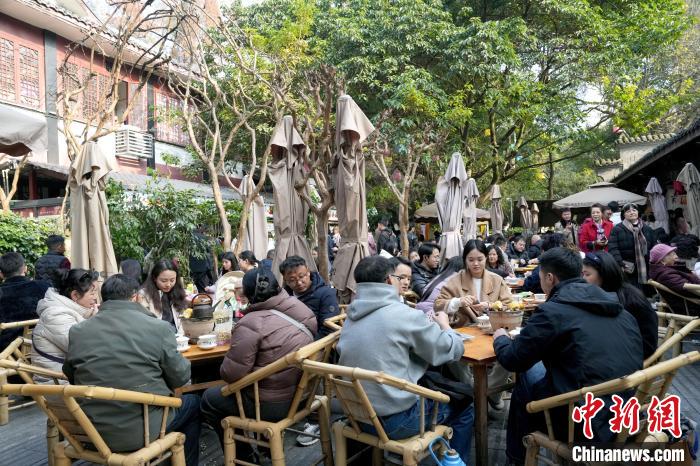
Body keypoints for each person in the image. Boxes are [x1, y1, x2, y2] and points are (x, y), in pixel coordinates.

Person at [493, 247, 643, 464]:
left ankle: (516, 457)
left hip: (583, 422)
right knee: (535, 371)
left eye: (540, 277)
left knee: (525, 375)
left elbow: (512, 359)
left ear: (550, 278)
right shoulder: (618, 307)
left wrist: (500, 338)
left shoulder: (553, 311)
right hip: (626, 409)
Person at [336, 256, 474, 461]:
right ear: (389, 280)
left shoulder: (351, 316)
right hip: (396, 422)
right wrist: (446, 326)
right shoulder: (403, 315)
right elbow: (447, 350)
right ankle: (454, 462)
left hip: (356, 415)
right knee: (466, 405)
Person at [63, 274, 200, 466]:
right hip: (141, 430)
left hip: (90, 430)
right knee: (193, 403)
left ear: (103, 298)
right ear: (135, 297)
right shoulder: (158, 328)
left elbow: (71, 374)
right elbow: (180, 377)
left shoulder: (78, 331)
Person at [201, 268, 316, 461]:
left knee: (210, 399)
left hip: (272, 404)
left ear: (246, 294)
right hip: (303, 394)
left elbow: (230, 374)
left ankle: (244, 458)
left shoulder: (251, 322)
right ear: (278, 286)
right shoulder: (301, 308)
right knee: (252, 380)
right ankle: (265, 449)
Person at [582, 251, 658, 358]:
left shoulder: (631, 299)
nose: (583, 279)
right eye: (582, 274)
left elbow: (647, 343)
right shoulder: (596, 294)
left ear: (604, 274)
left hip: (629, 355)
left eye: (587, 274)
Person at [32, 269, 99, 373]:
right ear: (75, 295)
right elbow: (83, 348)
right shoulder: (55, 315)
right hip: (57, 378)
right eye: (92, 293)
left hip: (75, 371)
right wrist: (95, 321)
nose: (96, 297)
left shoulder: (72, 309)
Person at [434, 240, 512, 327]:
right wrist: (457, 302)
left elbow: (509, 305)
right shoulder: (455, 281)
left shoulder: (497, 280)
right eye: (471, 260)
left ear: (486, 258)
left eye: (480, 259)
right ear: (465, 260)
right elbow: (438, 305)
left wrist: (490, 305)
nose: (476, 264)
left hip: (493, 328)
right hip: (463, 329)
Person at [0, 252, 51, 351]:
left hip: (6, 352)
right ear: (25, 269)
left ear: (1, 274)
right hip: (39, 347)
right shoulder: (44, 287)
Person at [280, 255, 339, 339]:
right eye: (292, 280)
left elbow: (328, 329)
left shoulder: (326, 294)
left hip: (313, 343)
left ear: (308, 272)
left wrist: (310, 345)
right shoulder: (283, 297)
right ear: (285, 280)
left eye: (301, 276)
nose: (299, 282)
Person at [608, 203, 655, 289]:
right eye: (628, 211)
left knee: (647, 291)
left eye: (634, 210)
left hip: (646, 266)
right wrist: (620, 263)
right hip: (628, 267)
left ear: (638, 212)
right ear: (624, 214)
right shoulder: (617, 229)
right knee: (632, 291)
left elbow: (654, 246)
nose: (632, 212)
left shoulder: (647, 228)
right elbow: (613, 248)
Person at [648, 244, 700, 316]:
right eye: (672, 254)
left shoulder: (667, 270)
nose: (676, 256)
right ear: (662, 260)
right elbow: (689, 289)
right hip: (691, 307)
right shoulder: (666, 275)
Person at [139, 259, 187, 333]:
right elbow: (144, 322)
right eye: (164, 281)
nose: (168, 284)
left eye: (172, 280)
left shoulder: (177, 292)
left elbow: (182, 319)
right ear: (154, 278)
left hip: (178, 336)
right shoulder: (144, 295)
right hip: (157, 335)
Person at [189, 225, 214, 293]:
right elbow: (208, 250)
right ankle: (202, 296)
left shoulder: (188, 238)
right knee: (201, 285)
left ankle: (194, 297)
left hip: (191, 266)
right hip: (202, 265)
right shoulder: (204, 237)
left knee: (192, 284)